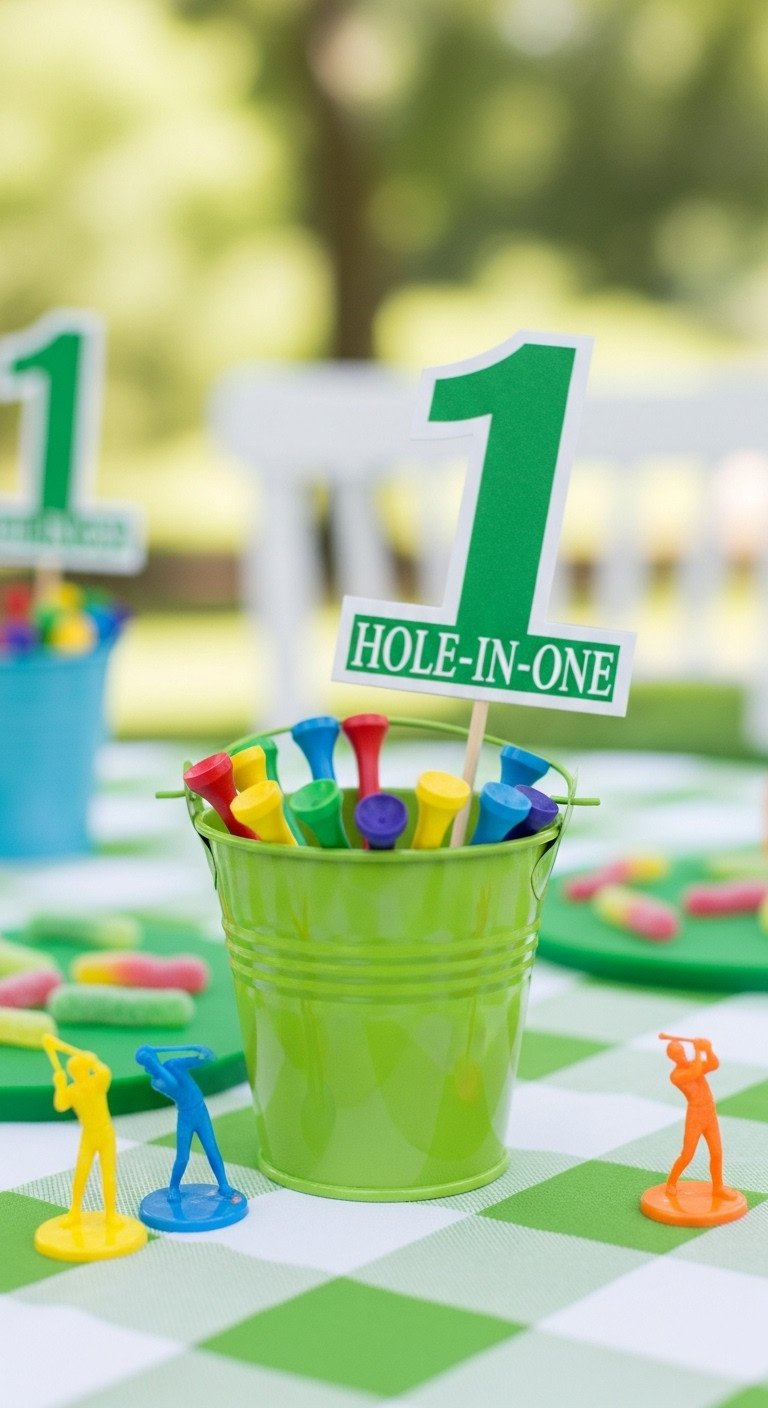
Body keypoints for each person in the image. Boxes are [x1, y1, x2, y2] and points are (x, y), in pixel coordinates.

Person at [135, 1044, 237, 1200]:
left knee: (212, 1150)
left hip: (201, 1112)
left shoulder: (174, 1064)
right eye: (147, 1063)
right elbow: (172, 1083)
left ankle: (223, 1184)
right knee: (183, 1157)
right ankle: (174, 1187)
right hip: (185, 1118)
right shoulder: (156, 1082)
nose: (150, 1065)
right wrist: (154, 1064)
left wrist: (202, 1052)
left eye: (151, 1061)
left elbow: (206, 1059)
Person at [43, 1035, 118, 1227]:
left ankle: (110, 1214)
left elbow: (104, 1071)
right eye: (78, 1071)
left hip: (105, 1135)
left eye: (82, 1069)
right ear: (75, 1072)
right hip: (89, 1136)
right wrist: (59, 1085)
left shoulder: (96, 1083)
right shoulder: (74, 1090)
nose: (81, 1073)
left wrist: (90, 1059)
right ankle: (75, 1211)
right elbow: (60, 1104)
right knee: (81, 1174)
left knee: (107, 1175)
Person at [664, 1036, 735, 1199]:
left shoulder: (692, 1064)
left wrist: (708, 1049)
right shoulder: (676, 1075)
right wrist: (697, 1049)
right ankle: (671, 1183)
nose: (680, 1056)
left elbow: (713, 1065)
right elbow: (695, 1072)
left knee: (717, 1153)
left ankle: (718, 1187)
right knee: (687, 1155)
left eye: (681, 1052)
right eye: (676, 1054)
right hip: (695, 1115)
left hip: (710, 1112)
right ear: (672, 1058)